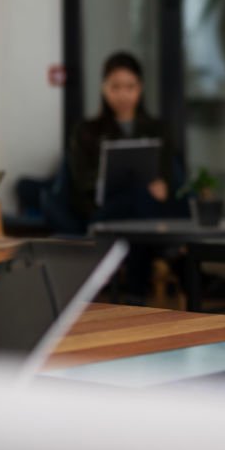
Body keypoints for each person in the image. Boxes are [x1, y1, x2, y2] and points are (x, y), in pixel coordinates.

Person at [68, 52, 185, 301]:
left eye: (130, 87)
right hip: (105, 210)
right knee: (136, 202)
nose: (123, 95)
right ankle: (140, 285)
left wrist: (161, 187)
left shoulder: (158, 130)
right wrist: (107, 182)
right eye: (115, 87)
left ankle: (134, 292)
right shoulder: (87, 131)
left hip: (146, 207)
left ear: (140, 88)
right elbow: (80, 182)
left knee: (141, 200)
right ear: (104, 88)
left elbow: (165, 179)